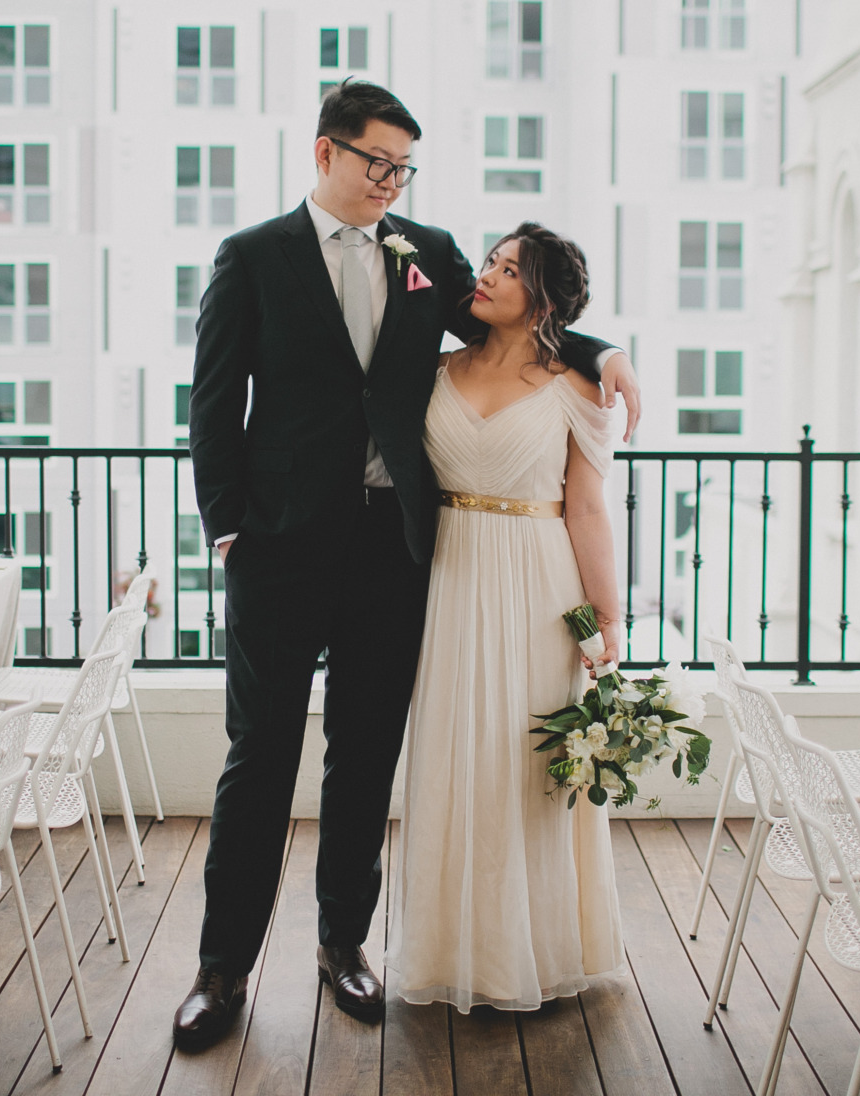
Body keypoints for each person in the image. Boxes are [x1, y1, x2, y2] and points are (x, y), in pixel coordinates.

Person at [178, 81, 640, 1048]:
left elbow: (514, 323)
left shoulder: (426, 254)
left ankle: (344, 944)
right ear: (325, 154)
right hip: (279, 550)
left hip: (395, 551)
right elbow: (213, 406)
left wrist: (604, 354)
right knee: (258, 757)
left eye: (403, 167)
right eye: (374, 162)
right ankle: (222, 969)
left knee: (364, 757)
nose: (389, 182)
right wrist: (228, 530)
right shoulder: (254, 257)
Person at [386, 224, 624, 1011]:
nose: (486, 274)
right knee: (457, 761)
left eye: (509, 269)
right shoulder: (437, 367)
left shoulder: (576, 385)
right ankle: (453, 952)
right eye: (490, 260)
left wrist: (607, 625)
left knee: (526, 772)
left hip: (538, 584)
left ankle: (538, 950)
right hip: (450, 578)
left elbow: (587, 509)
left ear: (543, 297)